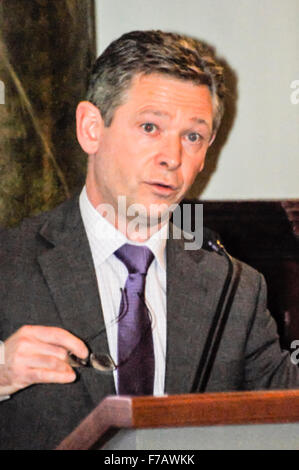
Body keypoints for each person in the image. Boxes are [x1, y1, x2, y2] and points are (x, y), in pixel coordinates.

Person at [0, 30, 298, 450]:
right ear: (91, 128)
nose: (173, 157)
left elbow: (285, 411)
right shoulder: (8, 264)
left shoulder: (235, 287)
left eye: (193, 136)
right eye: (150, 126)